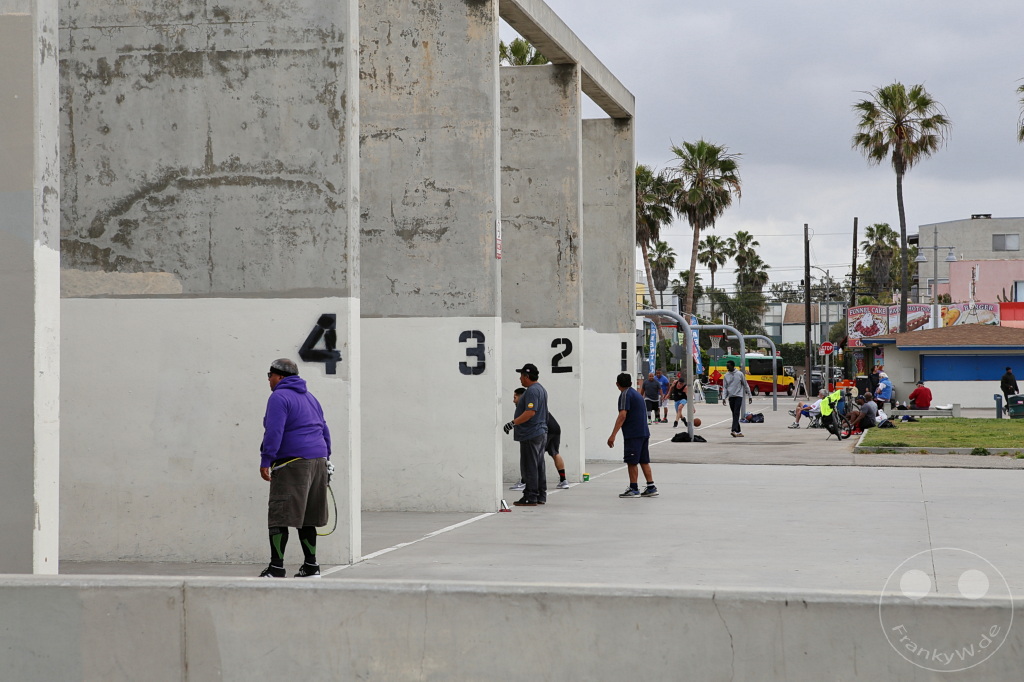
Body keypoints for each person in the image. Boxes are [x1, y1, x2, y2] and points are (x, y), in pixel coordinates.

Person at [259, 358, 331, 578]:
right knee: (308, 518)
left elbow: (274, 431)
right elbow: (324, 429)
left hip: (292, 463)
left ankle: (276, 568)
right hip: (318, 461)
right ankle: (311, 567)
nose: (268, 380)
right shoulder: (311, 398)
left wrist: (266, 460)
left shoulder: (279, 397)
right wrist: (327, 459)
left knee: (279, 515)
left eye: (269, 376)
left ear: (279, 376)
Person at [503, 363, 549, 506]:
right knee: (538, 465)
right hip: (540, 433)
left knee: (529, 466)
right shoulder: (541, 389)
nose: (520, 379)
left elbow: (530, 412)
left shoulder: (532, 391)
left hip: (531, 434)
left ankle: (530, 496)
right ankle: (541, 495)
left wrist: (512, 423)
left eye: (521, 375)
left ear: (527, 376)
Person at [607, 372, 658, 498]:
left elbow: (622, 415)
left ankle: (634, 488)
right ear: (630, 382)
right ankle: (651, 487)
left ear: (617, 384)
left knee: (632, 462)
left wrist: (613, 435)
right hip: (644, 432)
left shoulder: (625, 394)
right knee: (643, 460)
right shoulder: (636, 394)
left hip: (633, 434)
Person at [509, 388, 568, 490]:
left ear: (521, 396)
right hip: (555, 427)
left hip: (544, 429)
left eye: (515, 397)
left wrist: (512, 424)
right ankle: (564, 481)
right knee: (555, 453)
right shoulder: (536, 402)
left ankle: (524, 482)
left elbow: (527, 418)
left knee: (532, 455)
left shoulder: (525, 405)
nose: (513, 400)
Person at [722, 360, 753, 438]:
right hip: (731, 397)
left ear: (732, 366)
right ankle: (739, 432)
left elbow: (746, 385)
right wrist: (724, 397)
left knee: (736, 413)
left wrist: (750, 396)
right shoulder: (726, 375)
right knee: (734, 414)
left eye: (728, 366)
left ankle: (733, 430)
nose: (727, 367)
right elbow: (725, 387)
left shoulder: (739, 374)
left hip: (738, 396)